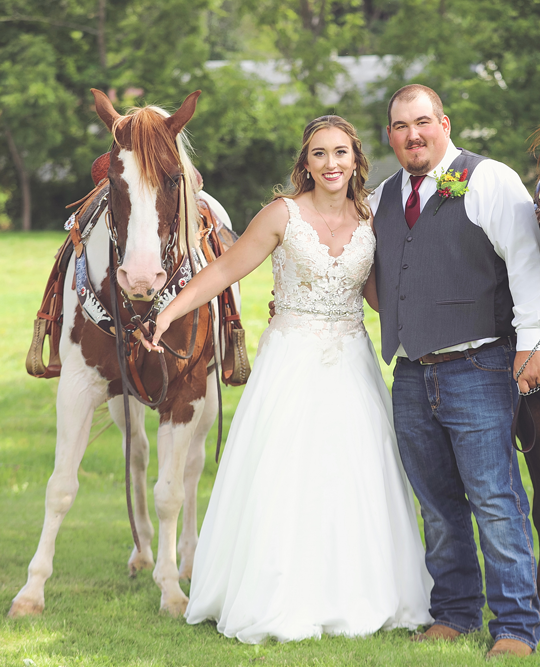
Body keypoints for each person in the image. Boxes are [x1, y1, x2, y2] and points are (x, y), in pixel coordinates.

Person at [145, 115, 433, 643]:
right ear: (305, 163)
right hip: (291, 360)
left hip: (351, 361)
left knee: (355, 476)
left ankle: (359, 594)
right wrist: (168, 310)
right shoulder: (283, 215)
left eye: (341, 153)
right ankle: (274, 594)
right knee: (285, 474)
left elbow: (379, 298)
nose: (331, 164)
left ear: (355, 160)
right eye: (319, 154)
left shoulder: (371, 218)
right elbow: (225, 269)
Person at [369, 84, 540, 659]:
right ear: (390, 136)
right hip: (410, 371)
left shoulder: (489, 179)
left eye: (422, 122)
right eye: (401, 126)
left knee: (495, 499)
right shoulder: (381, 195)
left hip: (479, 364)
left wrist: (535, 344)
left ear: (444, 123)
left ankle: (516, 626)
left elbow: (526, 263)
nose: (413, 135)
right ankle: (453, 611)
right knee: (436, 502)